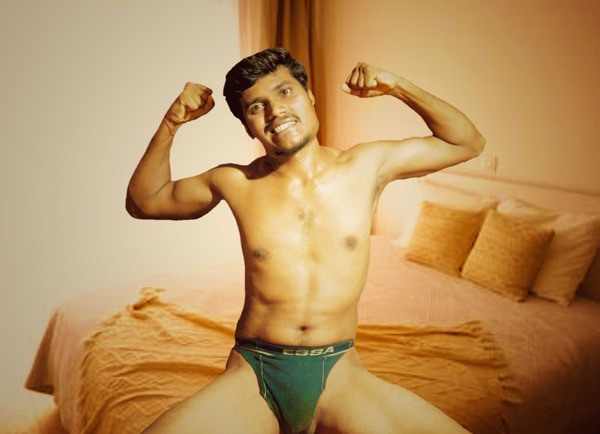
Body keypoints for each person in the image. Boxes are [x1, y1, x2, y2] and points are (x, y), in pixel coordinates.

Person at [127, 47, 484, 434]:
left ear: (310, 95)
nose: (275, 111)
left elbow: (466, 143)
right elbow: (144, 201)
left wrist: (398, 86)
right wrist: (171, 123)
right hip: (254, 374)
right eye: (256, 107)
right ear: (248, 127)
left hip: (339, 375)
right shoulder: (234, 180)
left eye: (285, 92)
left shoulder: (366, 165)